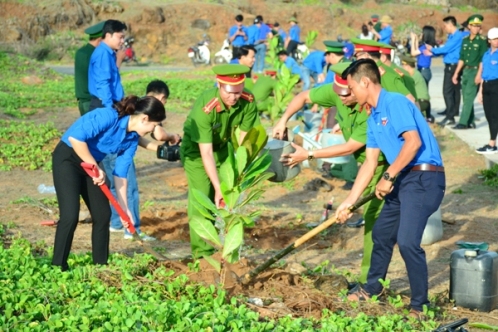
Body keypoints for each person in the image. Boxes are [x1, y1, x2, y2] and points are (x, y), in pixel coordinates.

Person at [336, 59, 445, 319]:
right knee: (382, 234)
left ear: (366, 82)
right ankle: (372, 289)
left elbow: (413, 142)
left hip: (424, 178)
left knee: (407, 242)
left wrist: (389, 174)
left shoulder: (394, 102)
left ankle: (420, 305)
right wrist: (349, 201)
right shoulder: (373, 116)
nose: (349, 94)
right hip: (403, 180)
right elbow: (370, 162)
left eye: (351, 87)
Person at [273, 62, 388, 285]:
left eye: (347, 94)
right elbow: (304, 97)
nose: (342, 99)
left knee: (374, 224)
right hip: (363, 165)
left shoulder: (371, 109)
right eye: (338, 94)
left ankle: (369, 284)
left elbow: (350, 147)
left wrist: (308, 155)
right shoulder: (338, 93)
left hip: (382, 166)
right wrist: (283, 119)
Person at [51, 96, 166, 271]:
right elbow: (76, 139)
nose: (153, 131)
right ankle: (58, 266)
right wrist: (95, 167)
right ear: (144, 118)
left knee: (103, 215)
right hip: (68, 158)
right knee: (70, 215)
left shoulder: (131, 140)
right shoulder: (108, 116)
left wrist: (125, 210)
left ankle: (100, 265)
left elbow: (120, 174)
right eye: (154, 125)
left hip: (92, 165)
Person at [180, 64, 259, 258]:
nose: (234, 97)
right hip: (197, 154)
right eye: (229, 92)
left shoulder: (247, 101)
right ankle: (203, 254)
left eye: (238, 92)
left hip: (223, 150)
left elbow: (243, 138)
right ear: (219, 85)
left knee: (228, 198)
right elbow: (205, 152)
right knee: (202, 199)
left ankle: (226, 249)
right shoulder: (206, 109)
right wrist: (217, 187)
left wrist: (241, 169)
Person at [106, 80, 181, 239]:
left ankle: (116, 223)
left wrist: (159, 150)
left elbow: (135, 138)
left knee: (114, 186)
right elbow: (159, 135)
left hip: (106, 149)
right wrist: (172, 137)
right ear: (161, 98)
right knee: (129, 189)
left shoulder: (135, 105)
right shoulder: (151, 110)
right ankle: (133, 231)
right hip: (119, 151)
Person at [423, 16, 464, 127]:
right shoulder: (452, 36)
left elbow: (445, 49)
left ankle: (450, 117)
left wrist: (432, 49)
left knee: (447, 91)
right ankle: (452, 111)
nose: (444, 28)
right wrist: (434, 53)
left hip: (452, 66)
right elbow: (447, 50)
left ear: (451, 24)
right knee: (454, 91)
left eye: (445, 26)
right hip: (451, 65)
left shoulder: (457, 37)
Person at [451, 14, 488, 130]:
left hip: (475, 71)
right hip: (466, 71)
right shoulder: (465, 40)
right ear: (469, 27)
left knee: (468, 97)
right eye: (474, 26)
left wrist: (479, 75)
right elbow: (462, 58)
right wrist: (456, 73)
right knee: (466, 97)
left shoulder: (482, 41)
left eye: (478, 26)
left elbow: (483, 60)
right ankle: (471, 121)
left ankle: (463, 122)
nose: (476, 28)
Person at [351, 38, 415, 102]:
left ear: (366, 56)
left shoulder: (384, 75)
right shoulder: (378, 72)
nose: (356, 60)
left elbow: (409, 100)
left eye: (357, 56)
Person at [88, 20, 126, 110]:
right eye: (120, 37)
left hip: (109, 103)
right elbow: (102, 83)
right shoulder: (103, 54)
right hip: (104, 105)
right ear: (108, 35)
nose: (122, 41)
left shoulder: (109, 53)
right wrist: (109, 107)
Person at [74, 21, 105, 116]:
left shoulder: (81, 52)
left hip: (83, 101)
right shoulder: (95, 54)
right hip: (91, 101)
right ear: (100, 40)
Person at [476, 27, 498, 154]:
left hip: (496, 85)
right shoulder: (486, 54)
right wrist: (480, 91)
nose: (496, 41)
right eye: (494, 39)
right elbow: (483, 74)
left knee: (495, 115)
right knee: (489, 115)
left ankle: (492, 143)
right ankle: (492, 141)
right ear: (489, 40)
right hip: (487, 86)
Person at [401, 55, 433, 122]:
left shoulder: (415, 76)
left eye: (403, 65)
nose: (402, 67)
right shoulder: (414, 73)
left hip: (421, 102)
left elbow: (404, 88)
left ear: (407, 66)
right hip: (421, 101)